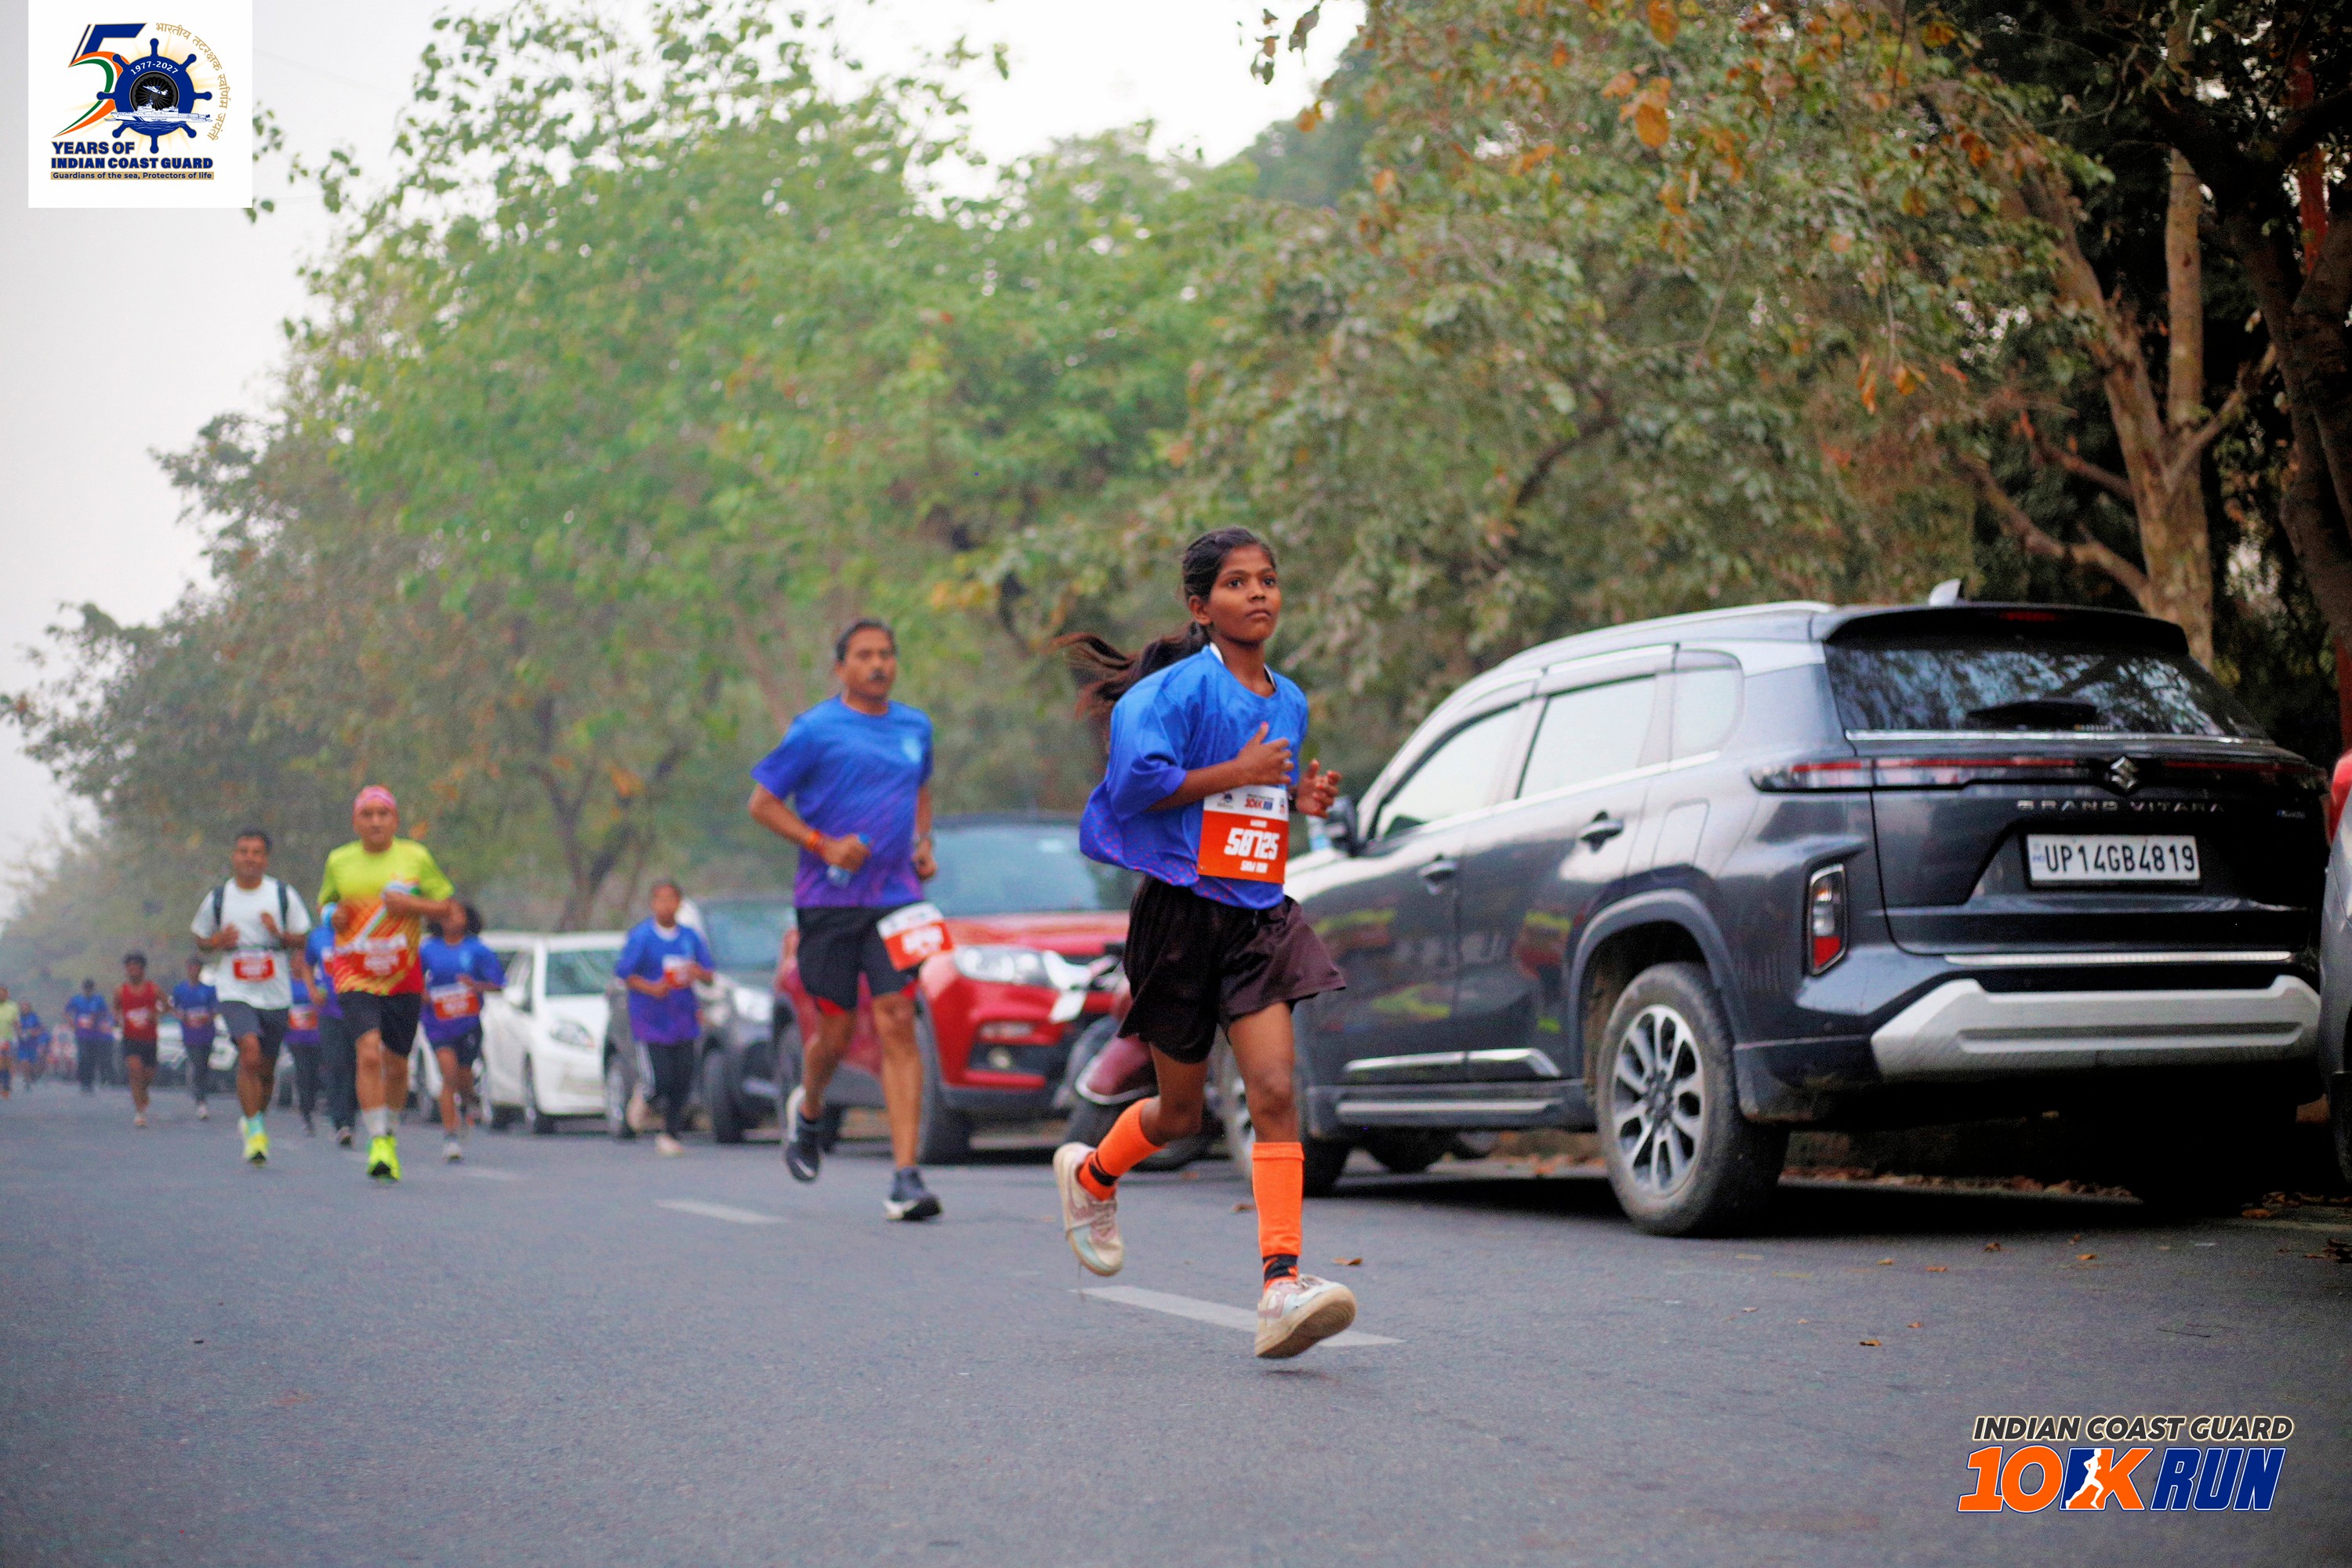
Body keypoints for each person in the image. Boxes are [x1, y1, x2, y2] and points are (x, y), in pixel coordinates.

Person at [1051, 527, 1356, 1359]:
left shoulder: (1289, 699)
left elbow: (1256, 797)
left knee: (1275, 1089)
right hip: (1181, 915)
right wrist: (1243, 774)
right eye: (1236, 582)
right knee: (1180, 1113)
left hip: (1257, 914)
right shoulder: (1172, 694)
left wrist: (1298, 799)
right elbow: (1135, 786)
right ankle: (1092, 1176)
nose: (1258, 593)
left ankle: (1281, 1284)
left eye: (1268, 580)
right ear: (1201, 605)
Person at [748, 617, 946, 1221]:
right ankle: (809, 1109)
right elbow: (762, 803)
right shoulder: (814, 730)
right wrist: (823, 844)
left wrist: (923, 842)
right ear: (841, 668)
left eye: (886, 654)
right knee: (834, 1032)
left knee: (897, 1022)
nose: (878, 664)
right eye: (864, 655)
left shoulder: (915, 726)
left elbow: (920, 788)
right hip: (828, 902)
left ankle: (906, 1177)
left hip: (898, 898)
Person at [318, 786, 461, 1183]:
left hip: (402, 974)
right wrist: (333, 917)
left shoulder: (416, 857)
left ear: (395, 821)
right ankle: (378, 1140)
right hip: (355, 972)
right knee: (367, 1053)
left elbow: (448, 909)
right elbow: (327, 903)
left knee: (397, 1065)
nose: (376, 821)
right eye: (368, 814)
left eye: (383, 814)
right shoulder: (339, 860)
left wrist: (412, 905)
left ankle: (389, 1130)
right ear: (355, 822)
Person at [191, 829, 315, 1167]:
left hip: (274, 991)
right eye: (243, 851)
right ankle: (256, 1131)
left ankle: (254, 1117)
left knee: (266, 1068)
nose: (249, 857)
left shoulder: (282, 895)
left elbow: (305, 938)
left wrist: (279, 934)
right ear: (234, 856)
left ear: (266, 859)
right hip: (235, 988)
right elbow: (200, 937)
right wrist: (217, 942)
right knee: (249, 1052)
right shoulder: (219, 897)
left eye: (256, 852)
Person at [615, 880, 714, 1158]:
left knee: (683, 1080)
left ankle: (670, 1133)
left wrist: (696, 972)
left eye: (671, 899)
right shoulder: (642, 937)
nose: (666, 905)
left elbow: (709, 974)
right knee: (661, 1080)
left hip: (683, 1018)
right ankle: (640, 1105)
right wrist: (653, 988)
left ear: (679, 903)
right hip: (651, 1021)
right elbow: (625, 974)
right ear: (652, 903)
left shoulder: (690, 937)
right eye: (660, 899)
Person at [417, 902, 503, 1163]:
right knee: (449, 1076)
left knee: (464, 1078)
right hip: (437, 1023)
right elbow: (413, 979)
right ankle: (450, 1137)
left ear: (467, 919)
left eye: (457, 914)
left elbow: (498, 984)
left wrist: (475, 986)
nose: (451, 919)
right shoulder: (428, 949)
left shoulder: (477, 949)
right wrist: (422, 993)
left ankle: (468, 1103)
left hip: (467, 1024)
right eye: (446, 914)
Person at [307, 908, 357, 1145]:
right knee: (335, 1063)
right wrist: (313, 990)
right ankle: (340, 1121)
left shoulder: (360, 934)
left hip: (358, 1009)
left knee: (355, 1065)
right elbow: (307, 965)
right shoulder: (318, 937)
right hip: (329, 1012)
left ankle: (351, 1116)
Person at [167, 957, 220, 1121]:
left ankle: (201, 1091)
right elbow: (172, 1008)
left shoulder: (209, 990)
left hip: (206, 1034)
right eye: (191, 968)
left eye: (197, 968)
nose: (194, 971)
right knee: (196, 1063)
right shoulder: (180, 990)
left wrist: (208, 1017)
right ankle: (200, 1099)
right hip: (190, 1035)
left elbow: (216, 1009)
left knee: (204, 1065)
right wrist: (182, 1016)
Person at [115, 953, 163, 1128]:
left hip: (149, 1039)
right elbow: (116, 1009)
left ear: (143, 969)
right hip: (131, 1038)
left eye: (136, 967)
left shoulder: (154, 989)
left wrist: (155, 1014)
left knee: (148, 1074)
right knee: (135, 1071)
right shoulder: (121, 991)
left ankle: (144, 1091)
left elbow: (167, 1006)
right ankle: (140, 1112)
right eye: (129, 967)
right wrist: (117, 1019)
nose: (132, 970)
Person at [283, 974, 325, 1134]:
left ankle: (310, 1102)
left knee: (313, 1072)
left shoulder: (319, 983)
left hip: (316, 1037)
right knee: (302, 1070)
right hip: (295, 1037)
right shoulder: (286, 984)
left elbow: (324, 1001)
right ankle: (305, 1108)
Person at [65, 979, 109, 1094]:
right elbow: (67, 1011)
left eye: (90, 989)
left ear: (93, 989)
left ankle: (90, 1082)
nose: (88, 991)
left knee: (92, 1058)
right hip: (81, 1034)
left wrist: (97, 1018)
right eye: (86, 989)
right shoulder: (77, 999)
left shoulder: (98, 1000)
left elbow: (105, 1012)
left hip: (95, 1034)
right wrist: (72, 1023)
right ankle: (83, 1081)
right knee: (83, 1057)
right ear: (83, 989)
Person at [13, 1001, 45, 1091]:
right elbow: (15, 1027)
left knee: (32, 1064)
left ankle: (33, 1076)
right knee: (24, 1062)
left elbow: (40, 1028)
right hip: (22, 1045)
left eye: (26, 1007)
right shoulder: (18, 1017)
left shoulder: (34, 1017)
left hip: (32, 1045)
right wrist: (19, 1032)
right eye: (23, 1007)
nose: (24, 1009)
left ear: (29, 1008)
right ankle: (27, 1081)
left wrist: (34, 1032)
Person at [0, 986, 17, 1098]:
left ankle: (6, 1087)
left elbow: (16, 1023)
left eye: (3, 994)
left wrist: (20, 1032)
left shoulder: (12, 1007)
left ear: (7, 995)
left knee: (6, 1064)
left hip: (7, 1039)